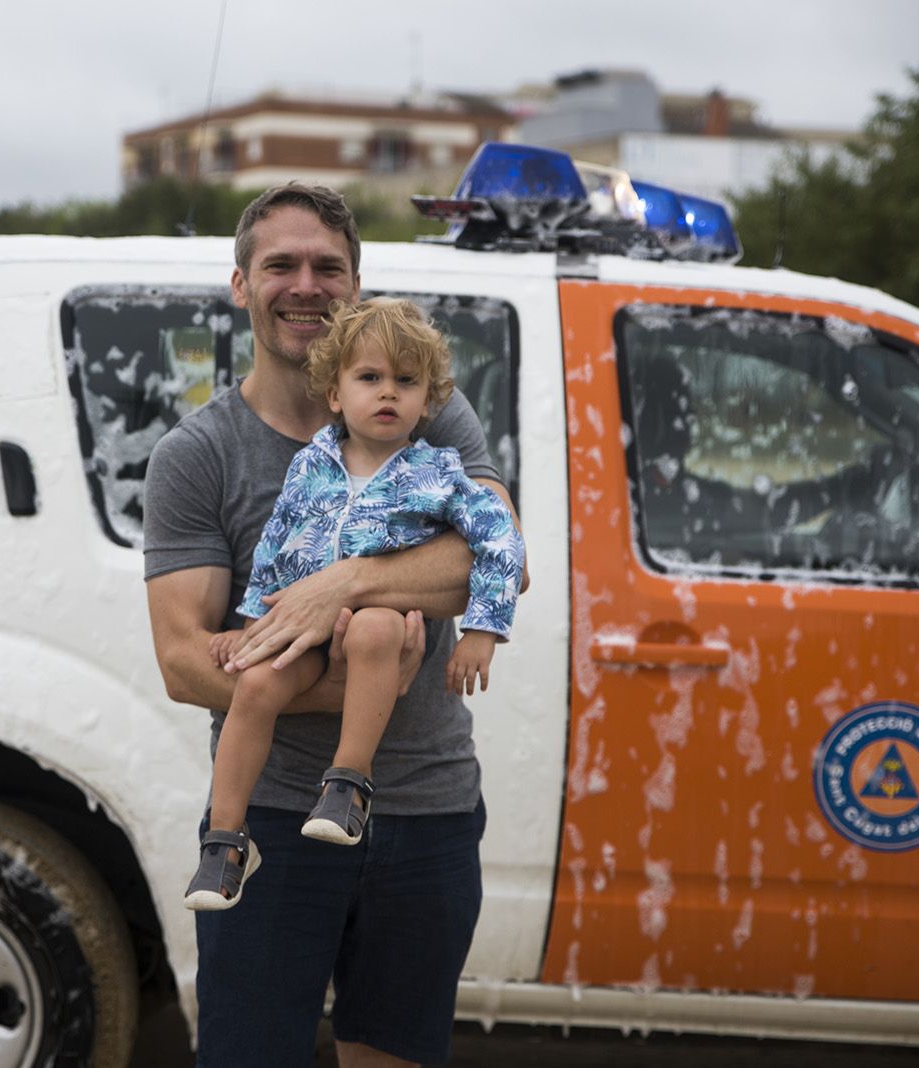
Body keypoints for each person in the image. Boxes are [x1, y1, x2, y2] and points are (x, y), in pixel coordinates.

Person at [143, 181, 527, 1068]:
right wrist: (359, 686)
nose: (306, 285)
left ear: (356, 286)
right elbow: (184, 660)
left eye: (329, 267)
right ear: (241, 284)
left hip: (427, 810)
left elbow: (500, 550)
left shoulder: (428, 415)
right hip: (274, 822)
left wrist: (341, 586)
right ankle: (222, 847)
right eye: (281, 265)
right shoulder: (197, 456)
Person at [182, 297, 525, 912]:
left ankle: (347, 786)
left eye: (406, 382)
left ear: (429, 399)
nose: (387, 393)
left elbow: (500, 539)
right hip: (301, 622)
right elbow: (278, 546)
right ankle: (225, 841)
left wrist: (483, 630)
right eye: (370, 378)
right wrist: (253, 624)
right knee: (256, 683)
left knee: (370, 629)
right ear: (335, 394)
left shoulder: (440, 473)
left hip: (384, 620)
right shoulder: (311, 465)